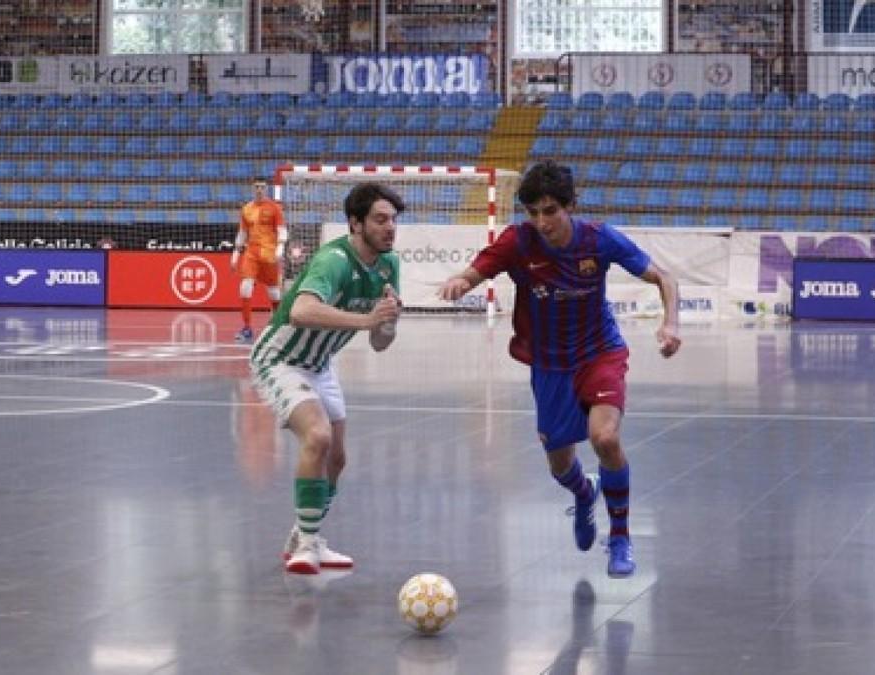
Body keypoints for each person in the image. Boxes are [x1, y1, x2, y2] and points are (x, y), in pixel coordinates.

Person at [440, 160, 681, 578]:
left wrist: (671, 322)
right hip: (550, 365)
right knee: (559, 465)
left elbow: (664, 278)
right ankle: (585, 494)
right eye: (533, 211)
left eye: (550, 210)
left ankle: (620, 537)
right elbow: (473, 272)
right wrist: (461, 283)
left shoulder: (599, 240)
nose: (542, 221)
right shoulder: (518, 242)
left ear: (571, 205)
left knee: (604, 437)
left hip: (599, 352)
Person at [250, 182, 404, 575]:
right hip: (281, 358)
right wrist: (367, 318)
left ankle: (307, 535)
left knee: (337, 457)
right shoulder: (333, 260)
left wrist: (387, 321)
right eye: (380, 220)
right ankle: (305, 546)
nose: (390, 228)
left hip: (320, 362)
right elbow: (302, 311)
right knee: (317, 437)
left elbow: (381, 343)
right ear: (355, 223)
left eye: (393, 220)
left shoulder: (390, 265)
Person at [231, 177, 288, 343]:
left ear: (267, 188)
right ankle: (247, 328)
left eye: (262, 187)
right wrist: (235, 252)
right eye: (257, 187)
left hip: (269, 254)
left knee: (273, 292)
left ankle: (279, 325)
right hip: (251, 253)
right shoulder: (246, 209)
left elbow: (281, 230)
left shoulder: (274, 208)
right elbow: (242, 233)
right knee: (245, 287)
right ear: (252, 188)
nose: (259, 190)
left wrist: (280, 247)